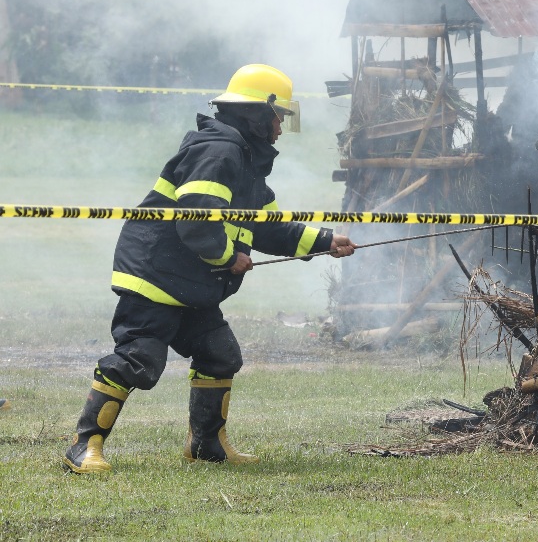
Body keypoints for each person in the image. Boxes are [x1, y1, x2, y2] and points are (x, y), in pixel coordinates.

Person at [63, 64, 357, 474]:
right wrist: (227, 258)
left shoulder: (246, 160)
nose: (280, 128)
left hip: (189, 282)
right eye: (279, 118)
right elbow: (197, 220)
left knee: (219, 354)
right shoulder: (218, 151)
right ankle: (82, 446)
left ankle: (206, 447)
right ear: (258, 114)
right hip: (156, 278)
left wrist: (325, 241)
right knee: (139, 360)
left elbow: (267, 227)